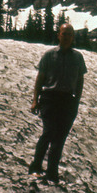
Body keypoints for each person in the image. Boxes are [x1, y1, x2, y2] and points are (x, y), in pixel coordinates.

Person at [28, 23, 86, 183]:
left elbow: (80, 80)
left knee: (60, 138)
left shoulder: (78, 57)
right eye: (64, 33)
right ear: (58, 35)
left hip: (68, 101)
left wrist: (76, 101)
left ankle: (52, 172)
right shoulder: (48, 55)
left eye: (69, 34)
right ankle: (35, 166)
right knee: (49, 132)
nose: (66, 37)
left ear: (73, 37)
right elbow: (40, 78)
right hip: (49, 98)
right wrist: (35, 100)